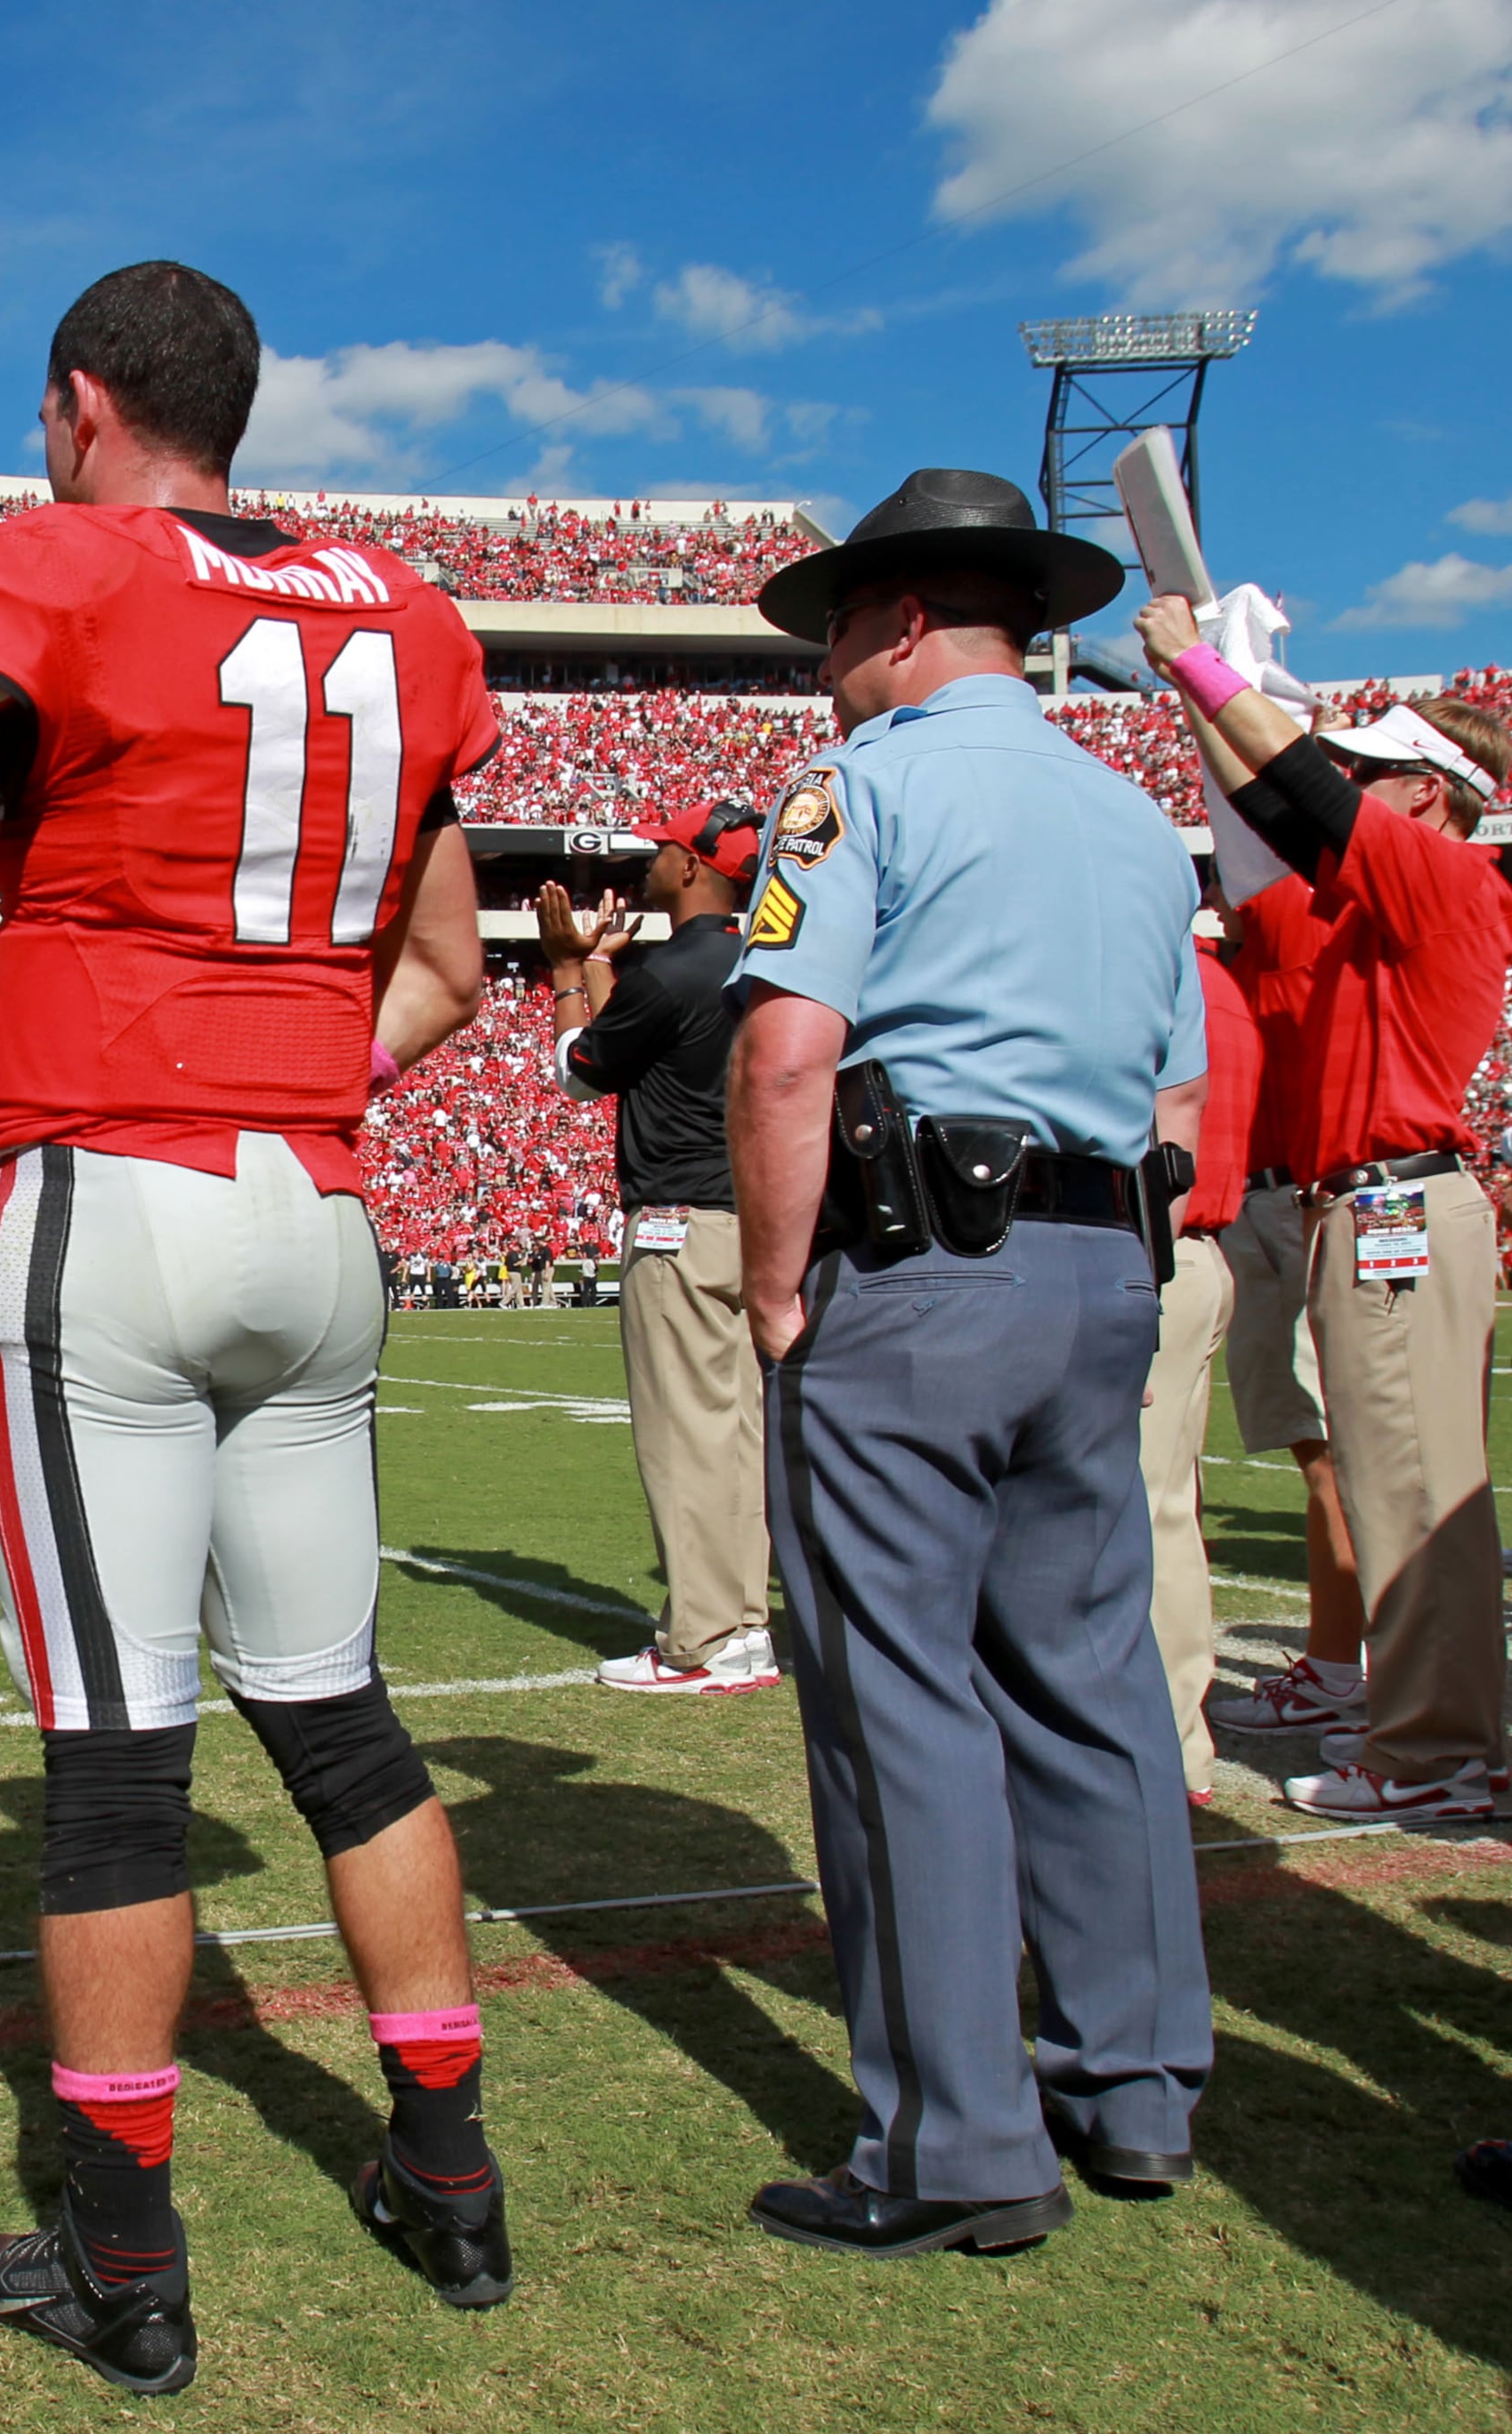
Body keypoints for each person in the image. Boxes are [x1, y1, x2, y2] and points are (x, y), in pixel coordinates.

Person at [0, 261, 508, 2392]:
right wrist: (276, 1084)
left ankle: (122, 2253)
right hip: (309, 1205)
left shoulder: (32, 564)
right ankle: (450, 2177)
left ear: (77, 402)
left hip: (97, 1199)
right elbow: (454, 969)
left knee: (118, 1767)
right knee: (340, 1711)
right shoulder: (407, 610)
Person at [730, 467, 1210, 2257]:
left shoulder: (856, 790)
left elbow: (790, 1051)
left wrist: (780, 1293)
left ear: (906, 617)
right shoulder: (1125, 814)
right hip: (1105, 1256)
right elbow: (1179, 1086)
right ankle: (1137, 2085)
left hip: (919, 1267)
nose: (830, 661)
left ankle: (956, 2138)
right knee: (1090, 1676)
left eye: (841, 622)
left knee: (896, 1701)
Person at [1135, 590, 1512, 1822]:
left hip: (1399, 1207)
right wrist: (1203, 696)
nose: (1351, 780)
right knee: (1395, 1473)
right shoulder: (1384, 898)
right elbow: (1272, 814)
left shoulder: (1451, 878)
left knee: (1410, 1484)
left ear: (1429, 794)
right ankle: (1425, 1727)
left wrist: (1197, 661)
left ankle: (1438, 1752)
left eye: (1377, 771)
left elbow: (1304, 791)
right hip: (1370, 1209)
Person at [538, 797, 777, 1694]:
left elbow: (582, 1070)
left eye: (664, 849)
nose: (651, 862)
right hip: (755, 1222)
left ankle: (700, 1640)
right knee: (741, 1438)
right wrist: (602, 962)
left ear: (692, 867)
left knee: (682, 1441)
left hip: (679, 1228)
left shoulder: (672, 970)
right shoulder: (762, 962)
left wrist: (567, 967)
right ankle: (745, 1626)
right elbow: (641, 1043)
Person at [1201, 853, 1373, 1740]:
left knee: (1335, 1452)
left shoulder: (1293, 926)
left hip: (1292, 1199)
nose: (1219, 899)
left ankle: (1344, 1663)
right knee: (1319, 1442)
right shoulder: (1249, 960)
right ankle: (1349, 1657)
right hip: (1267, 1201)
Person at [1136, 885, 1258, 1805]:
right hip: (1197, 1248)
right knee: (1169, 1504)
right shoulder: (1220, 984)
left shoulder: (1171, 981)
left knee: (1136, 1509)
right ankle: (1177, 1731)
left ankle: (1163, 1739)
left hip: (1157, 1252)